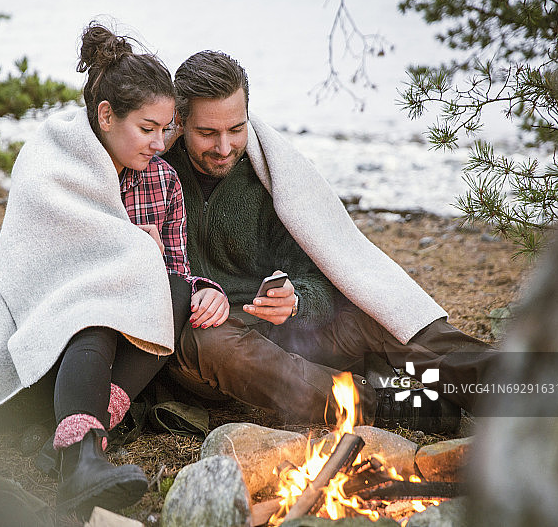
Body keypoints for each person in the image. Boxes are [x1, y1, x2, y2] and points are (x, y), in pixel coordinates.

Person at [0, 25, 228, 517]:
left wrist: (204, 291)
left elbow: (173, 270)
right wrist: (131, 247)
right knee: (99, 296)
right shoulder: (52, 159)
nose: (160, 142)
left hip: (102, 360)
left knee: (171, 289)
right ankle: (81, 459)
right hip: (43, 337)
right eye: (147, 128)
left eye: (167, 128)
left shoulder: (163, 181)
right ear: (106, 116)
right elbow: (37, 263)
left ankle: (76, 444)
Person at [160, 50, 498, 432]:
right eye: (207, 133)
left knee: (379, 310)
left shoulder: (268, 179)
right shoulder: (151, 173)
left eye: (236, 129)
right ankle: (383, 405)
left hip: (289, 336)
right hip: (216, 352)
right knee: (213, 343)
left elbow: (323, 275)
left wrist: (295, 300)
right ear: (180, 121)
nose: (224, 148)